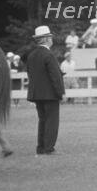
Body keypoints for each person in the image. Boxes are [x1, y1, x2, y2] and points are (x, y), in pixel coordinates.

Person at [27, 25, 64, 155]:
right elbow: (55, 77)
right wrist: (60, 93)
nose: (51, 39)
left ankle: (41, 147)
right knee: (52, 121)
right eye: (50, 37)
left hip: (37, 94)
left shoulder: (31, 55)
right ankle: (49, 148)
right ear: (46, 39)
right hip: (50, 94)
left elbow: (33, 74)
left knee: (42, 120)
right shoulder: (48, 54)